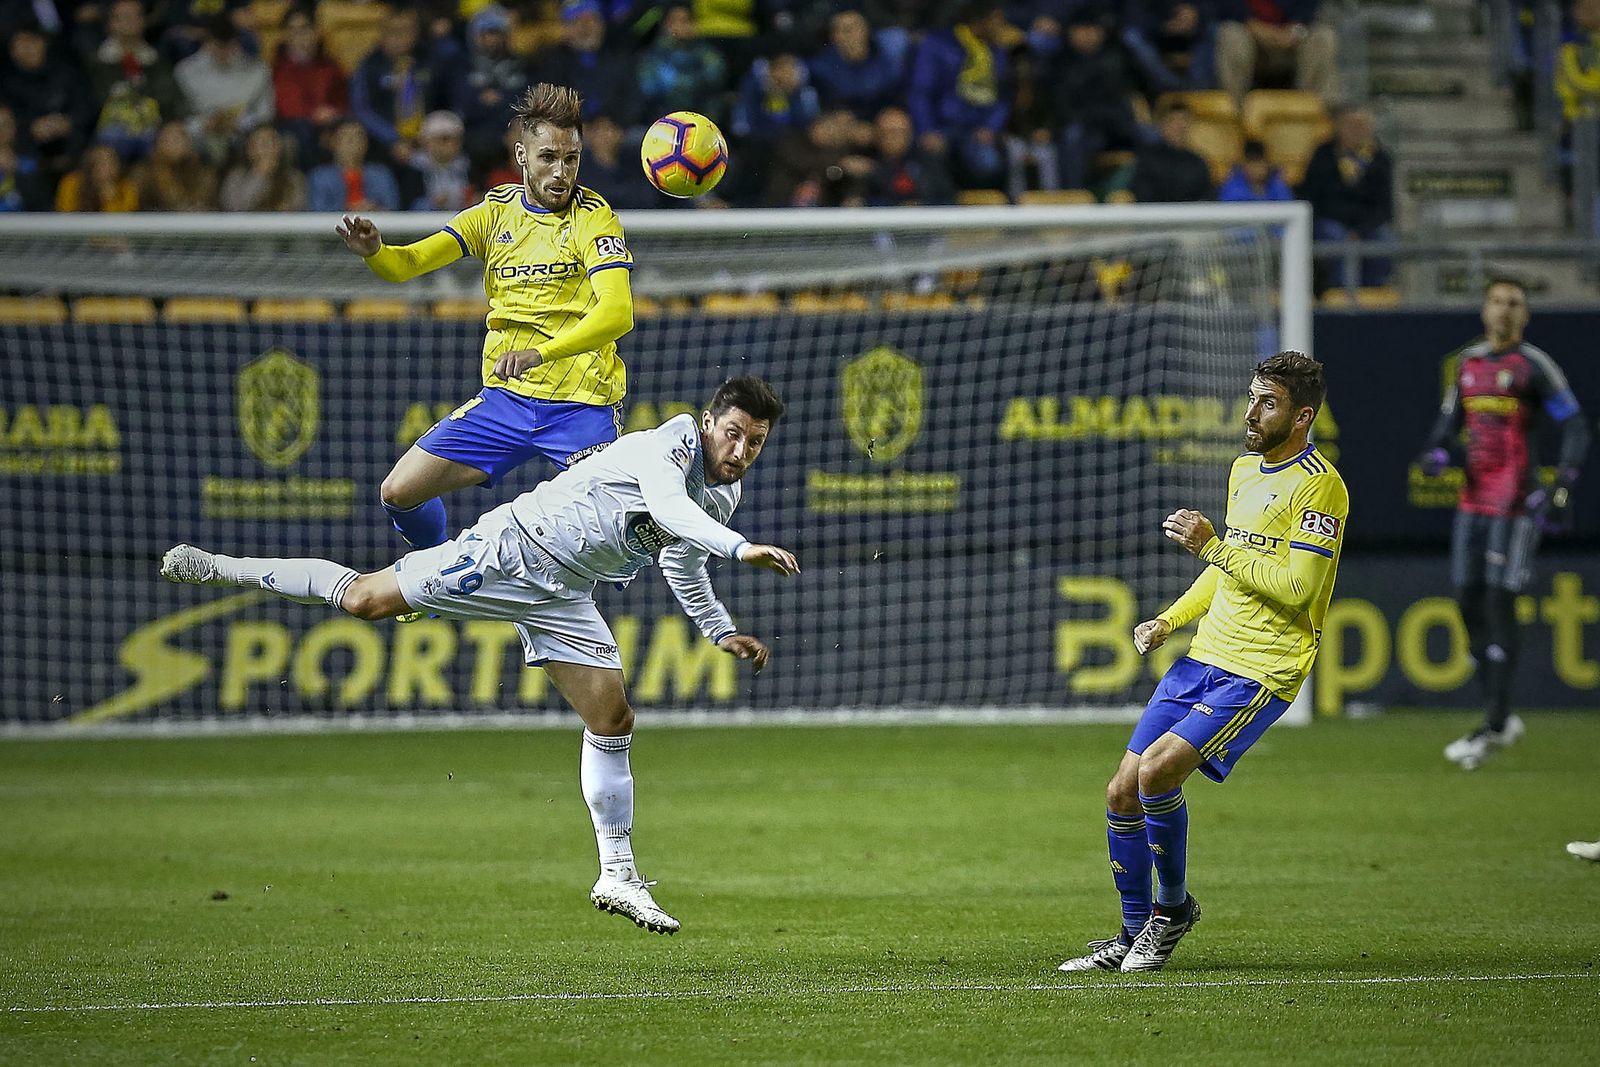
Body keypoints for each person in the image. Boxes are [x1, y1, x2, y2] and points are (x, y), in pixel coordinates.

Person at [160, 378, 799, 935]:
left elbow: (679, 558)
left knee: (611, 717)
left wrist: (718, 631)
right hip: (513, 551)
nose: (739, 452)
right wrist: (741, 549)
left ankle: (619, 876)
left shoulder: (719, 499)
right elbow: (665, 507)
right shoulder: (673, 441)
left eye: (754, 443)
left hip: (566, 593)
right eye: (733, 434)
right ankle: (222, 565)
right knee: (365, 601)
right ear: (710, 423)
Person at [1059, 351, 1347, 973]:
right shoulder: (1244, 471)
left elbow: (1297, 587)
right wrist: (1169, 620)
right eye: (1251, 397)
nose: (1250, 412)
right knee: (1121, 792)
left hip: (1262, 668)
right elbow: (1229, 574)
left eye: (1266, 402)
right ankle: (1134, 933)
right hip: (1204, 655)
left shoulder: (1321, 486)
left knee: (1158, 773)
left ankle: (1172, 911)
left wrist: (1212, 544)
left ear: (1301, 417)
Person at [335, 83, 636, 568]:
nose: (561, 173)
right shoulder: (495, 213)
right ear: (521, 154)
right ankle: (435, 573)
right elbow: (408, 264)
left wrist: (542, 353)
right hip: (506, 401)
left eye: (572, 159)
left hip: (582, 407)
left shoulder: (594, 219)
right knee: (398, 491)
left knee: (614, 545)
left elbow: (617, 313)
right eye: (548, 157)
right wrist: (377, 253)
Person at [1417, 278, 1590, 771]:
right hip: (1471, 503)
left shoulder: (1534, 367)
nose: (1505, 310)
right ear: (1484, 310)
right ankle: (1499, 711)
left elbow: (1575, 425)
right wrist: (1436, 453)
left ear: (1526, 315)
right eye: (1497, 301)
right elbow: (1448, 426)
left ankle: (1494, 722)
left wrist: (1561, 487)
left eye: (1515, 303)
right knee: (1466, 601)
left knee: (1498, 602)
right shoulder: (1468, 364)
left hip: (1515, 507)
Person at [1298, 106, 1394, 289]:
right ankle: (1341, 296)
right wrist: (1346, 229)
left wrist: (1359, 230)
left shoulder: (1381, 159)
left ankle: (1373, 293)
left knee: (1384, 241)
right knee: (1337, 240)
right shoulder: (1323, 155)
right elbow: (1312, 198)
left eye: (1362, 125)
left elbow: (1384, 207)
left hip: (1366, 224)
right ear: (1338, 127)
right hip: (1330, 221)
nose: (1356, 130)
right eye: (1350, 125)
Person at [308, 117, 401, 211]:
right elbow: (317, 211)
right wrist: (350, 210)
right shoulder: (320, 177)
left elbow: (392, 207)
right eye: (348, 138)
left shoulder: (381, 174)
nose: (355, 143)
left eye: (359, 137)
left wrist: (374, 208)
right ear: (332, 142)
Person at [1130, 98, 1212, 202]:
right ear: (1162, 125)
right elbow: (1142, 195)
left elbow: (1207, 198)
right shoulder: (1148, 160)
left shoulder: (1198, 162)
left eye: (1184, 120)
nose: (1180, 127)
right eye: (1173, 121)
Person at [133, 119, 218, 210]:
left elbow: (206, 203)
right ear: (157, 144)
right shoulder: (143, 174)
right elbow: (135, 206)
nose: (171, 144)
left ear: (188, 144)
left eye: (177, 139)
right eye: (166, 139)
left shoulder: (204, 175)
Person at [219, 123, 307, 211]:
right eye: (261, 142)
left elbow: (296, 209)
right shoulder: (237, 176)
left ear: (279, 147)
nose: (267, 147)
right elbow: (234, 207)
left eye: (271, 141)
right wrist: (259, 174)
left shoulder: (294, 178)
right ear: (249, 149)